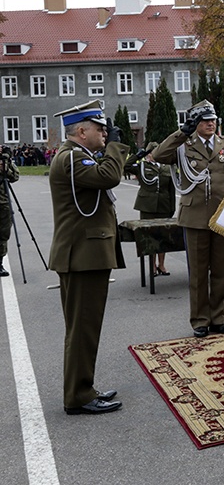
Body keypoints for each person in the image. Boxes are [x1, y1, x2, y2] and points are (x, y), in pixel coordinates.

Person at [48, 100, 127, 415]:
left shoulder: (78, 157)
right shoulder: (71, 159)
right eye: (99, 128)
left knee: (84, 328)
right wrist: (117, 147)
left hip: (84, 254)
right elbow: (109, 176)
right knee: (83, 328)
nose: (105, 132)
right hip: (82, 256)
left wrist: (113, 149)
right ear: (81, 131)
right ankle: (79, 395)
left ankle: (83, 388)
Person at [153, 100, 224, 338]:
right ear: (195, 124)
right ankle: (200, 320)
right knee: (199, 273)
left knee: (221, 271)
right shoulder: (183, 145)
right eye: (204, 120)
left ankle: (220, 318)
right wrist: (182, 133)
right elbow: (159, 155)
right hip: (195, 216)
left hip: (221, 216)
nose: (210, 124)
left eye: (213, 120)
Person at [125, 142, 175, 275]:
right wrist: (138, 155)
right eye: (151, 152)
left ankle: (162, 265)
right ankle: (152, 266)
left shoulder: (166, 168)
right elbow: (126, 166)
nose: (154, 155)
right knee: (149, 236)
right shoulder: (142, 166)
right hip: (147, 205)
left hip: (164, 205)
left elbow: (171, 188)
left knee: (163, 236)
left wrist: (172, 207)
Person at [0, 146, 20, 277]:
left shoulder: (4, 161)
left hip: (3, 203)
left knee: (3, 234)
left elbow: (15, 177)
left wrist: (5, 164)